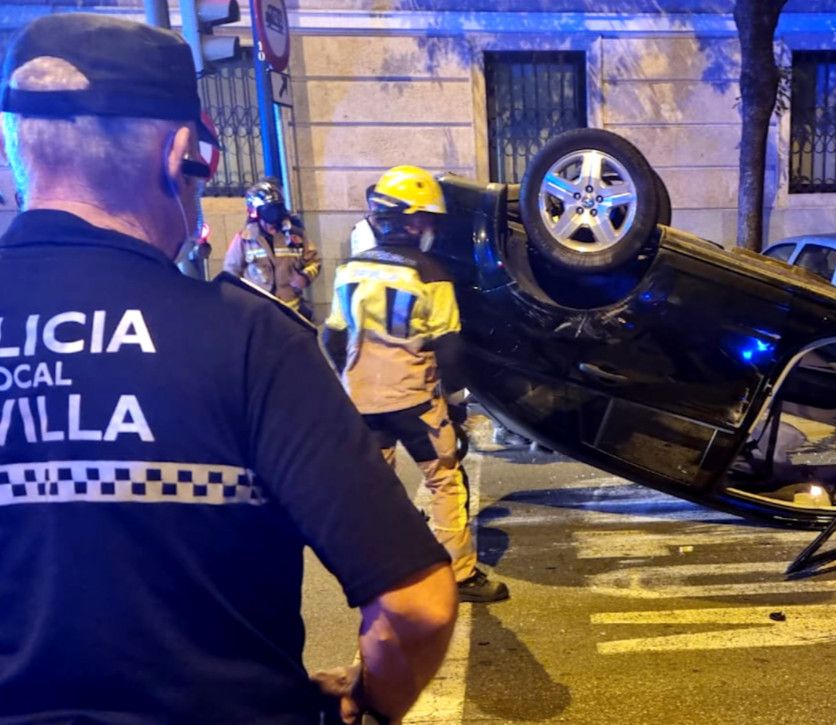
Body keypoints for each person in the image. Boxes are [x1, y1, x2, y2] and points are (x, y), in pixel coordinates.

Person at [0, 14, 457, 723]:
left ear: (15, 149)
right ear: (177, 151)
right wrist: (366, 705)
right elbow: (416, 605)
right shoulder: (250, 339)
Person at [322, 166, 510, 603]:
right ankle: (460, 574)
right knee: (444, 479)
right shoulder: (431, 271)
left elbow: (331, 336)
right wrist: (457, 406)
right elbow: (450, 351)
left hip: (362, 402)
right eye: (427, 218)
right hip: (415, 402)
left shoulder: (349, 269)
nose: (431, 227)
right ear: (406, 219)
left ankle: (379, 574)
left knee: (374, 486)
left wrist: (349, 379)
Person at [224, 177, 322, 320]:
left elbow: (314, 262)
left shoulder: (296, 235)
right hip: (258, 313)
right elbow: (230, 274)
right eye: (270, 209)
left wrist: (304, 277)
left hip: (291, 313)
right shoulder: (245, 239)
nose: (275, 214)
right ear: (257, 212)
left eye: (278, 208)